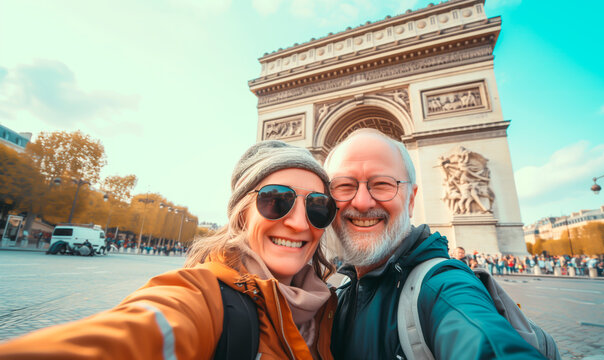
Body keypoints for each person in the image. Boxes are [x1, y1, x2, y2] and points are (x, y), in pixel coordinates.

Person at [0, 140, 339, 359]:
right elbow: (137, 334)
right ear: (241, 213)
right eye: (276, 200)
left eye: (318, 206)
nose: (298, 223)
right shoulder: (203, 296)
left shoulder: (331, 307)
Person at [324, 129, 545, 359]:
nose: (361, 202)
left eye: (382, 184)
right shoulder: (339, 297)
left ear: (411, 199)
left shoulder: (443, 289)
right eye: (344, 186)